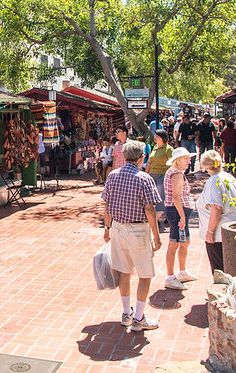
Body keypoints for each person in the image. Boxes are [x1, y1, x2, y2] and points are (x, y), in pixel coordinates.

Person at [102, 141, 162, 331]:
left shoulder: (112, 176)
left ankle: (126, 313)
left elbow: (106, 204)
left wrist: (107, 228)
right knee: (145, 274)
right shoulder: (144, 178)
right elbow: (150, 209)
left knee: (124, 272)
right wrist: (157, 235)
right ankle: (139, 317)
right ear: (141, 157)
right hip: (138, 230)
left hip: (118, 228)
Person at [197, 150, 236, 273]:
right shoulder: (229, 177)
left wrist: (210, 231)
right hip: (234, 226)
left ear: (206, 166)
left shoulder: (214, 181)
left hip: (219, 233)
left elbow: (217, 207)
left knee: (220, 269)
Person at [163, 147, 197, 290]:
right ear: (177, 160)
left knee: (184, 242)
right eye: (186, 159)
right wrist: (182, 216)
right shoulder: (176, 174)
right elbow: (176, 197)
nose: (189, 161)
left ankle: (182, 271)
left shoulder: (176, 173)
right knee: (174, 243)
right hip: (177, 212)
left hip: (179, 211)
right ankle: (170, 277)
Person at [145, 129, 173, 204]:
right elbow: (149, 161)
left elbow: (172, 163)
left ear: (162, 138)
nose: (155, 137)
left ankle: (160, 212)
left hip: (162, 174)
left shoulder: (168, 149)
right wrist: (146, 173)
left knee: (160, 194)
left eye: (157, 136)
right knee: (151, 194)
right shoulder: (154, 147)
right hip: (152, 174)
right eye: (155, 135)